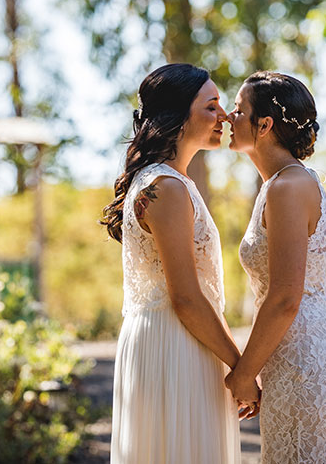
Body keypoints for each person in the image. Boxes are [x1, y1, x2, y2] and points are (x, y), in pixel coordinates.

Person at [100, 63, 247, 464]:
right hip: (175, 344)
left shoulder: (165, 182)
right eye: (211, 106)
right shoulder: (165, 187)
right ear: (179, 116)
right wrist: (241, 367)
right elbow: (185, 296)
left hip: (172, 338)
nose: (225, 117)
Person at [225, 70, 326, 463]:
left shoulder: (288, 187)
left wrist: (245, 372)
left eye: (238, 110)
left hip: (305, 367)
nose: (229, 118)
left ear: (263, 125)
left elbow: (285, 296)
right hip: (292, 362)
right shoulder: (283, 184)